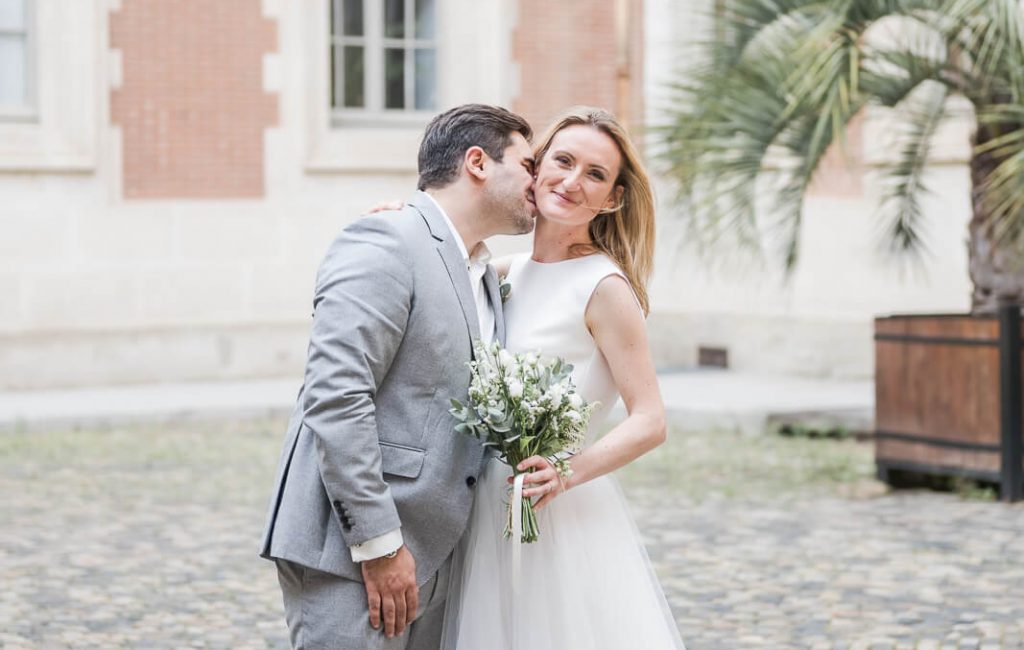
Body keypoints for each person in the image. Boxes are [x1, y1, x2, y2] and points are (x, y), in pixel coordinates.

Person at [259, 103, 536, 650]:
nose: (540, 179)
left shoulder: (481, 272)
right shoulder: (386, 240)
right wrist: (380, 546)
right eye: (529, 165)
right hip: (352, 551)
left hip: (437, 550)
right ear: (477, 162)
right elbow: (337, 397)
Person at [440, 107, 687, 649]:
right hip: (487, 511)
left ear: (613, 199)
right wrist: (400, 219)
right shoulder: (505, 271)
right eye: (563, 161)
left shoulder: (604, 286)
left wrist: (565, 471)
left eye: (595, 174)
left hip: (559, 517)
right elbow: (434, 256)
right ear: (536, 167)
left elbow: (651, 419)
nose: (572, 182)